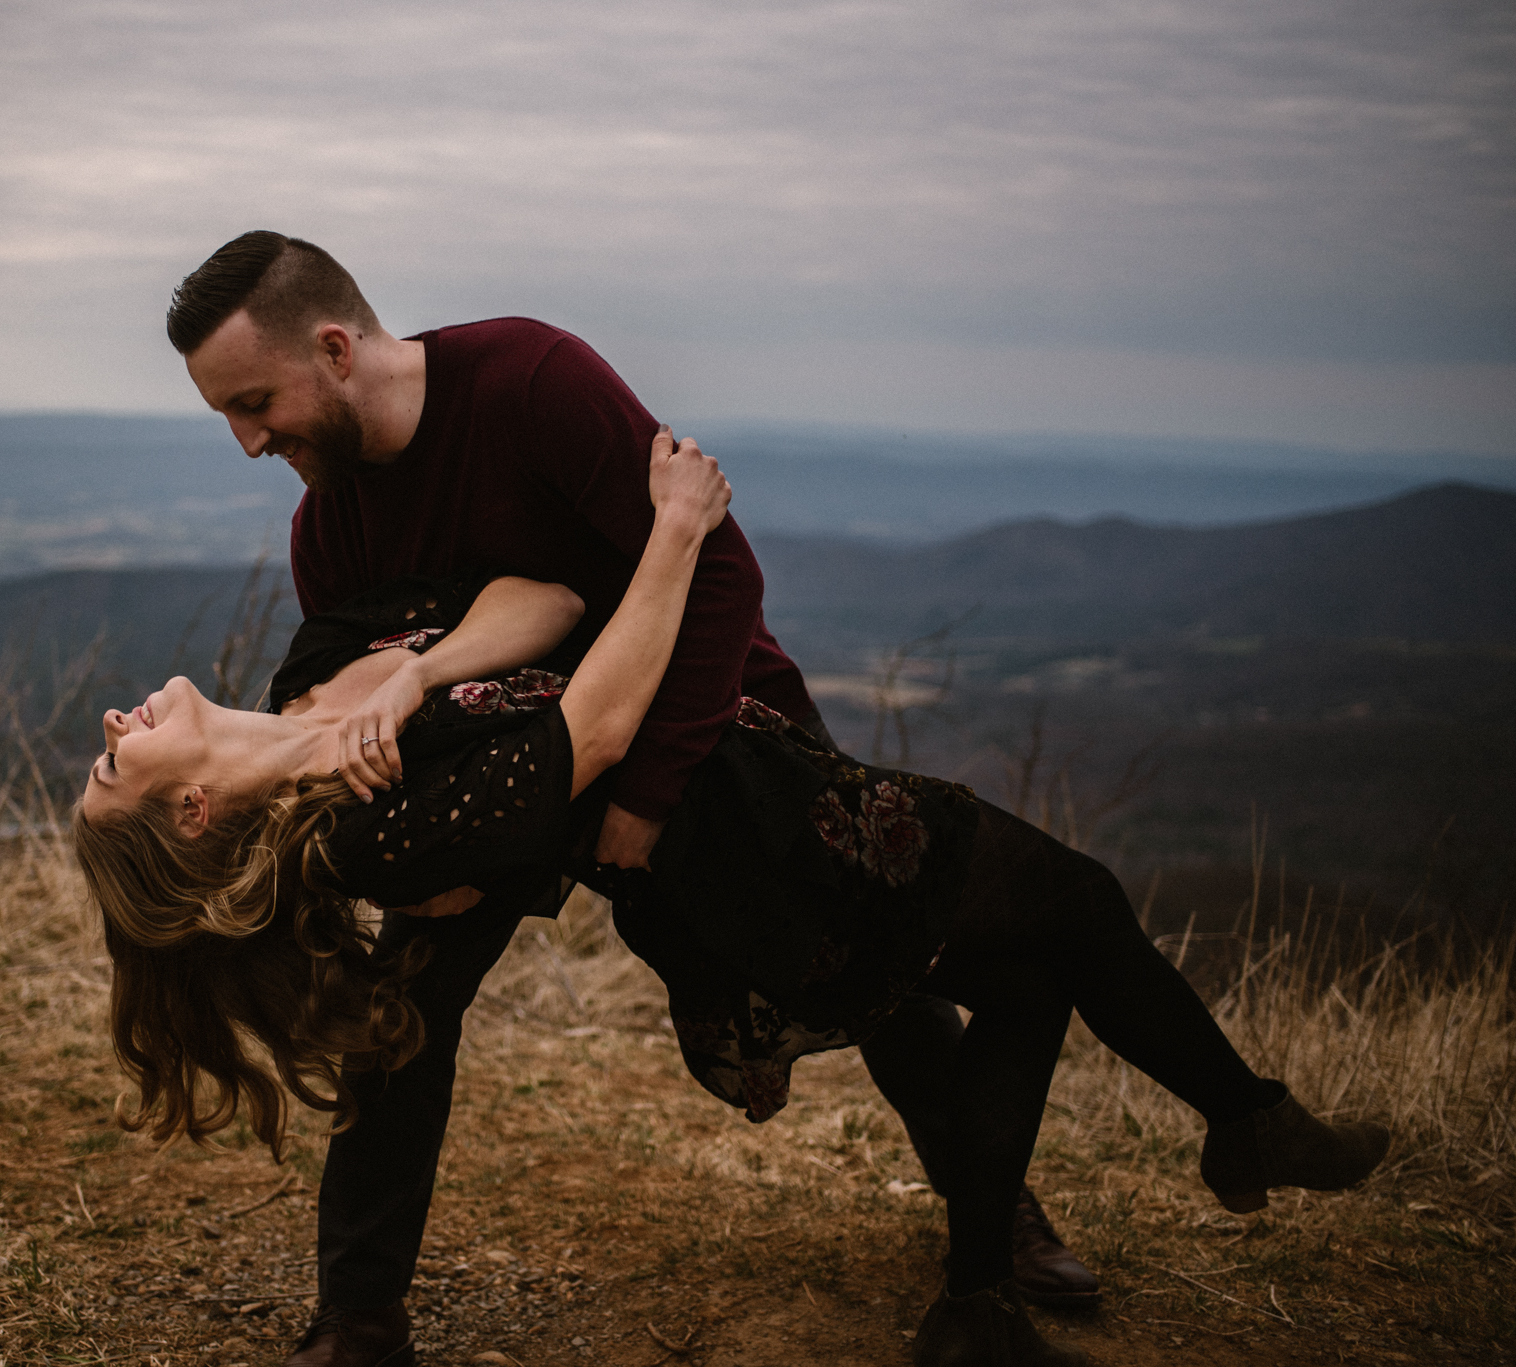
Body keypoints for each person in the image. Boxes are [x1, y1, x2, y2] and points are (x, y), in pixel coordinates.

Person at [74, 431, 1390, 1367]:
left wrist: (404, 680)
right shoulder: (365, 832)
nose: (115, 720)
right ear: (192, 815)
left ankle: (1000, 1280)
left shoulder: (324, 672)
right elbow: (588, 731)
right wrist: (680, 528)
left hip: (775, 794)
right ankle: (1218, 1137)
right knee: (1079, 908)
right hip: (767, 856)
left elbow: (540, 602)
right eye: (114, 763)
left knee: (1041, 967)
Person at [160, 231, 1100, 1366]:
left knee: (879, 963)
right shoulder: (332, 528)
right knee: (405, 1000)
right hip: (518, 772)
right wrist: (443, 868)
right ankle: (358, 1321)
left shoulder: (530, 380)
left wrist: (648, 793)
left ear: (333, 345)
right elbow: (392, 708)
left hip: (715, 730)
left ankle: (991, 1210)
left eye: (254, 403)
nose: (247, 440)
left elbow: (719, 571)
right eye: (228, 414)